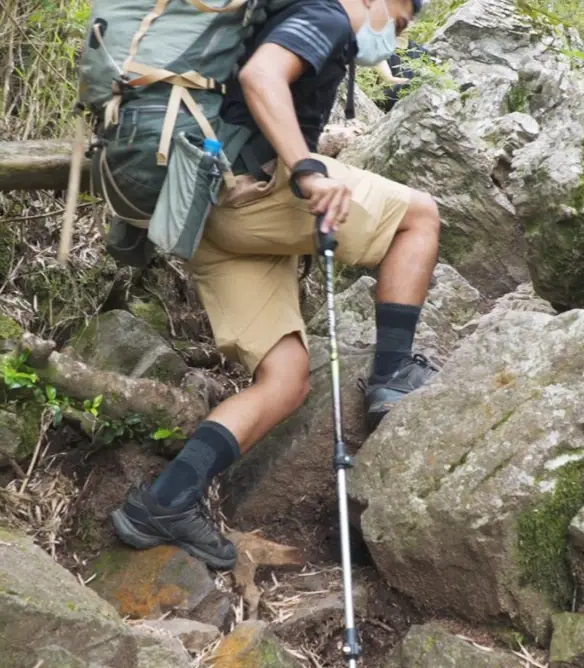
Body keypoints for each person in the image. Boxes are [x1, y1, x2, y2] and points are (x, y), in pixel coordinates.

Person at [108, 0, 440, 571]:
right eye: (401, 22)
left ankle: (161, 504)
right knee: (421, 217)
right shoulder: (327, 13)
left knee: (284, 382)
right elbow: (261, 74)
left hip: (206, 217)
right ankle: (391, 374)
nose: (396, 35)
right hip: (254, 193)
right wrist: (306, 166)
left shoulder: (296, 16)